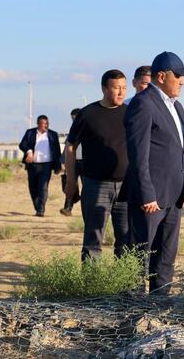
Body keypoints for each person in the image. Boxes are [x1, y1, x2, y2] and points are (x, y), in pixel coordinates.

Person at [124, 51, 184, 293]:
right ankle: (133, 306)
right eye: (178, 76)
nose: (182, 82)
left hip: (174, 196)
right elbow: (138, 155)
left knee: (165, 256)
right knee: (140, 255)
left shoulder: (178, 107)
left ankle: (160, 303)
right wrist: (147, 194)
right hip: (151, 198)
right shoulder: (143, 103)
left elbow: (183, 151)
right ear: (162, 76)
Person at [64, 70, 130, 260]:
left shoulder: (130, 113)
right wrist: (71, 181)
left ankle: (124, 280)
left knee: (127, 241)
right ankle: (92, 279)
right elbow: (70, 146)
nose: (121, 92)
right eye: (116, 88)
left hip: (127, 187)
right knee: (93, 240)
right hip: (96, 185)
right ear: (104, 89)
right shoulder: (87, 114)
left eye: (124, 88)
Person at [18, 115, 62, 217]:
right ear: (38, 124)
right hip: (33, 165)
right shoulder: (30, 133)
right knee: (33, 187)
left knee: (43, 187)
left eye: (47, 123)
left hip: (47, 165)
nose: (45, 125)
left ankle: (41, 210)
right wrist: (29, 151)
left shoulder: (53, 134)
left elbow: (57, 151)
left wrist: (58, 166)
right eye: (43, 123)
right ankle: (38, 207)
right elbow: (22, 145)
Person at [60, 108, 83, 216]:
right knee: (69, 184)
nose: (74, 121)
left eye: (75, 118)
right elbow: (67, 147)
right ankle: (67, 208)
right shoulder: (72, 130)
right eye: (72, 119)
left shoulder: (90, 128)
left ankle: (87, 207)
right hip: (73, 162)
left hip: (86, 162)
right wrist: (63, 161)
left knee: (88, 186)